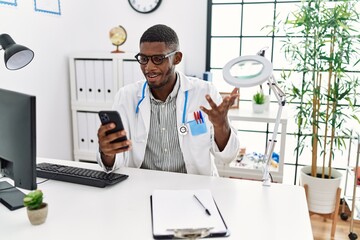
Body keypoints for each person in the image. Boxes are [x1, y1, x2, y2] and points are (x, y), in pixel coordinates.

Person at [97, 24, 240, 176]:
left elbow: (227, 156)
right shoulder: (126, 96)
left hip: (193, 186)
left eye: (158, 59)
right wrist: (107, 152)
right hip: (142, 186)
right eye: (144, 59)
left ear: (177, 58)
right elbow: (115, 162)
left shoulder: (205, 93)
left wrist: (221, 126)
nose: (149, 67)